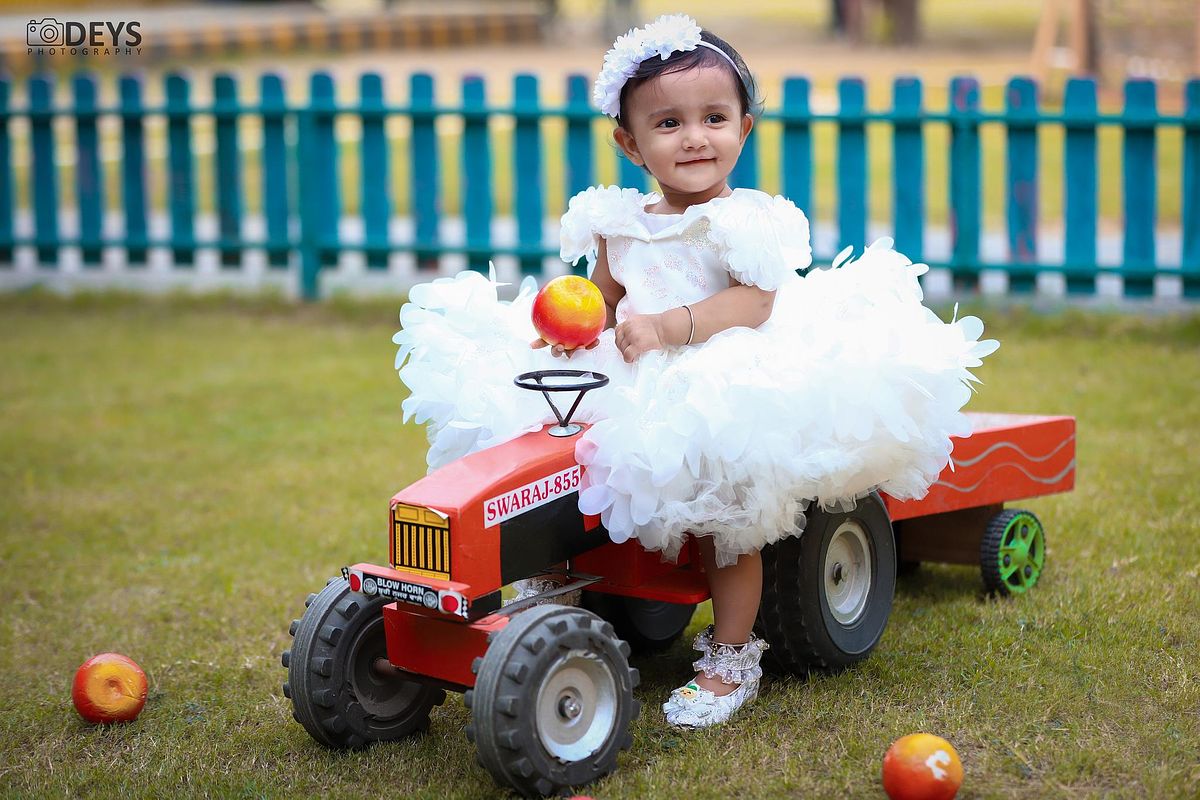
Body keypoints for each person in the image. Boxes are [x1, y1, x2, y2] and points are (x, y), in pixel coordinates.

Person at [393, 13, 998, 729]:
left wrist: (672, 327)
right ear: (631, 143)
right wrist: (576, 334)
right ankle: (554, 602)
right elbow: (604, 301)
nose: (695, 137)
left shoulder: (742, 221)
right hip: (637, 377)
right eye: (669, 123)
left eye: (714, 117)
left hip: (724, 377)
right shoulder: (618, 225)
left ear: (744, 128)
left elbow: (754, 301)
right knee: (561, 466)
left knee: (724, 518)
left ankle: (731, 657)